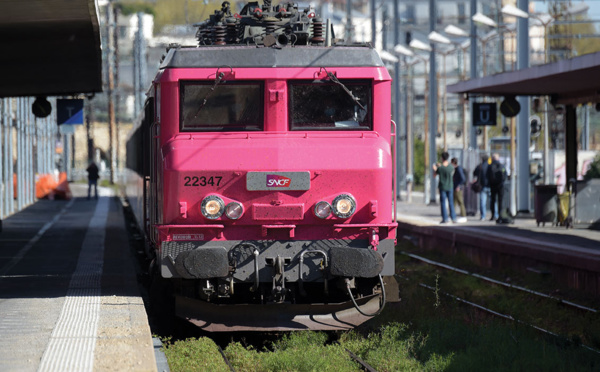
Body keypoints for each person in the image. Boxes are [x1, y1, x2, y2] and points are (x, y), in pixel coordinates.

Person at [432, 152, 457, 224]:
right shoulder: (451, 167)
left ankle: (445, 218)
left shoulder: (440, 168)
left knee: (443, 203)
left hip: (443, 187)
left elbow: (434, 175)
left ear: (442, 158)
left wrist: (435, 169)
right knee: (451, 203)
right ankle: (453, 218)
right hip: (450, 186)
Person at [486, 153, 507, 222]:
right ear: (498, 158)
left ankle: (493, 215)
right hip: (501, 186)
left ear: (492, 158)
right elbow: (505, 174)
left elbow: (487, 176)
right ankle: (500, 215)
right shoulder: (502, 166)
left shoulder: (490, 166)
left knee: (493, 200)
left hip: (493, 186)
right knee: (500, 201)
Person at [473, 154, 493, 221]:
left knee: (482, 202)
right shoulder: (491, 166)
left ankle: (483, 216)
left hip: (482, 186)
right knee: (493, 202)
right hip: (490, 186)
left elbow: (474, 173)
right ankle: (495, 214)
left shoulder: (480, 166)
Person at [451, 157, 467, 222]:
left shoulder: (458, 169)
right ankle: (453, 215)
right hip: (454, 187)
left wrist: (459, 186)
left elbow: (463, 178)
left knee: (460, 201)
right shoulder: (455, 169)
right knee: (453, 202)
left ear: (453, 163)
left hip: (458, 188)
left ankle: (463, 215)